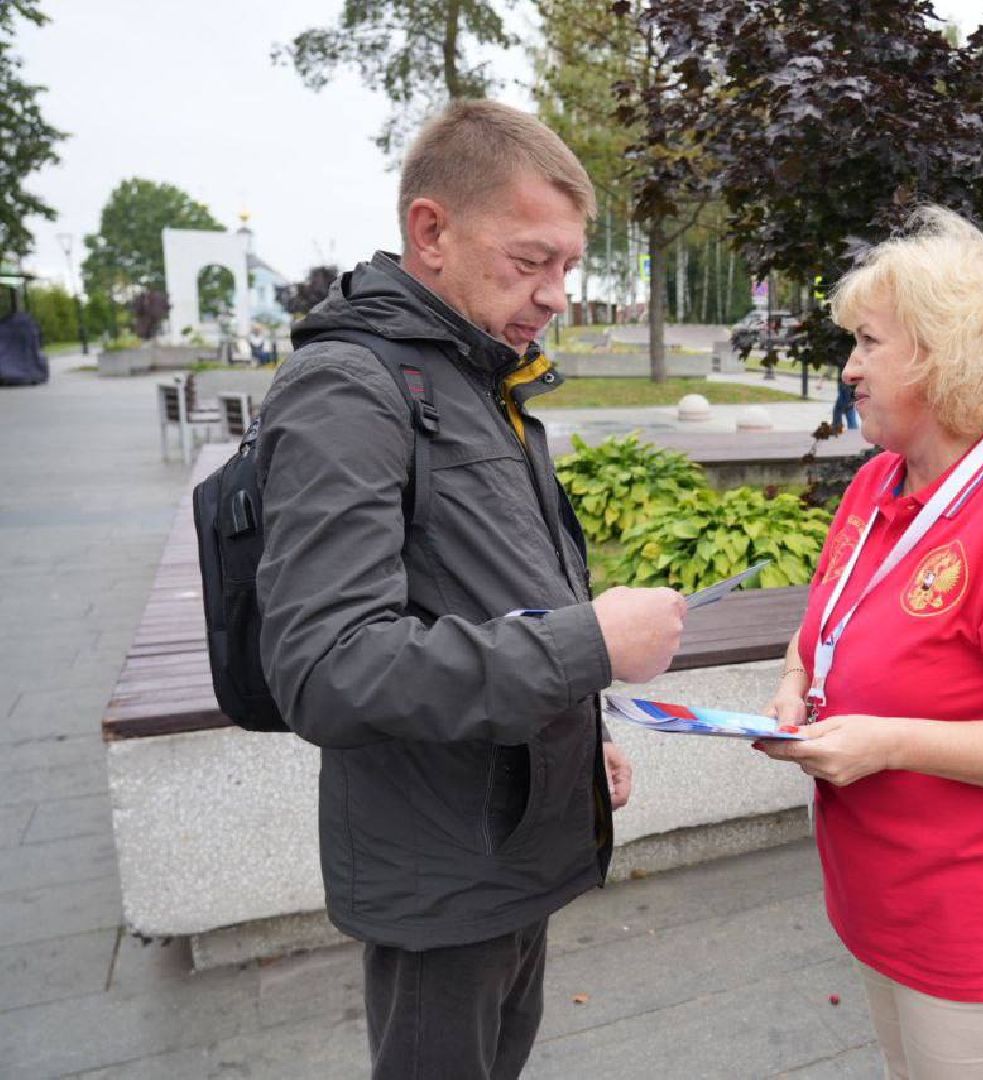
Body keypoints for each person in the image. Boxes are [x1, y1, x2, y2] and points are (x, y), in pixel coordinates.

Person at [254, 101, 687, 1080]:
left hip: (510, 844)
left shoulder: (481, 377)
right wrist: (591, 648)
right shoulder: (353, 390)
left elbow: (494, 594)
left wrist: (585, 728)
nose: (557, 293)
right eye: (532, 260)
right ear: (432, 232)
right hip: (441, 867)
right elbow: (327, 670)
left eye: (568, 267)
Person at [755, 206, 983, 1079]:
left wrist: (885, 742)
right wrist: (792, 681)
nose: (847, 367)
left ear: (939, 353)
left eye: (868, 343)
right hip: (879, 895)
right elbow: (820, 630)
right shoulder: (877, 483)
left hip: (973, 921)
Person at [831, 357, 860, 433]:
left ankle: (839, 427)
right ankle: (850, 428)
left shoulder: (846, 356)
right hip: (846, 384)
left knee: (845, 407)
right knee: (845, 407)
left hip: (846, 384)